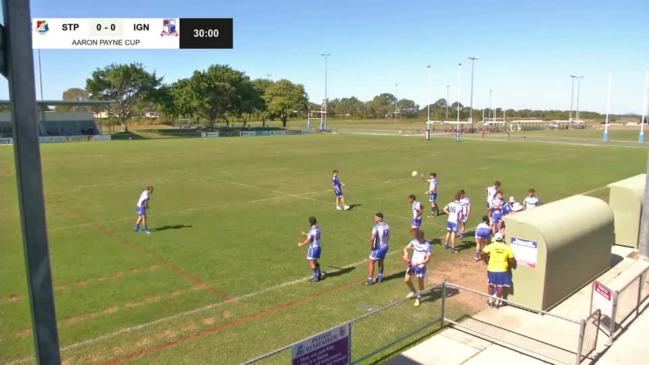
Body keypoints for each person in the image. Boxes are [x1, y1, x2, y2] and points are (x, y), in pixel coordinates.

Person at [481, 232, 516, 307]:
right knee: (500, 285)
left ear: (495, 239)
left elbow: (482, 253)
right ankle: (497, 301)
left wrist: (485, 260)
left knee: (491, 284)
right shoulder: (507, 247)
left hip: (491, 269)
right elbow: (512, 259)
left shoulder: (491, 246)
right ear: (502, 239)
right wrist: (513, 266)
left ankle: (490, 300)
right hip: (502, 270)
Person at [402, 229, 432, 307]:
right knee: (407, 280)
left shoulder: (427, 245)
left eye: (417, 237)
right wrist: (405, 254)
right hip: (412, 264)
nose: (416, 238)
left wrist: (419, 263)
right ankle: (413, 291)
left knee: (420, 283)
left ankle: (418, 298)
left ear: (421, 237)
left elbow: (428, 259)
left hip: (420, 266)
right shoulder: (414, 241)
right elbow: (406, 248)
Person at [367, 213, 391, 285]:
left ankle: (370, 280)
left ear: (379, 219)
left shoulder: (376, 227)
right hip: (385, 246)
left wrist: (372, 246)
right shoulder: (387, 225)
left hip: (378, 248)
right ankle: (380, 278)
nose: (374, 219)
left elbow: (372, 238)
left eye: (375, 218)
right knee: (381, 261)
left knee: (371, 262)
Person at [297, 216, 323, 282]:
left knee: (311, 262)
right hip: (319, 247)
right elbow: (312, 235)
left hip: (313, 248)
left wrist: (301, 244)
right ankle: (319, 274)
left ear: (310, 223)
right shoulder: (318, 228)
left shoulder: (312, 230)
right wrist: (305, 234)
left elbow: (309, 240)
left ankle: (315, 277)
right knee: (315, 261)